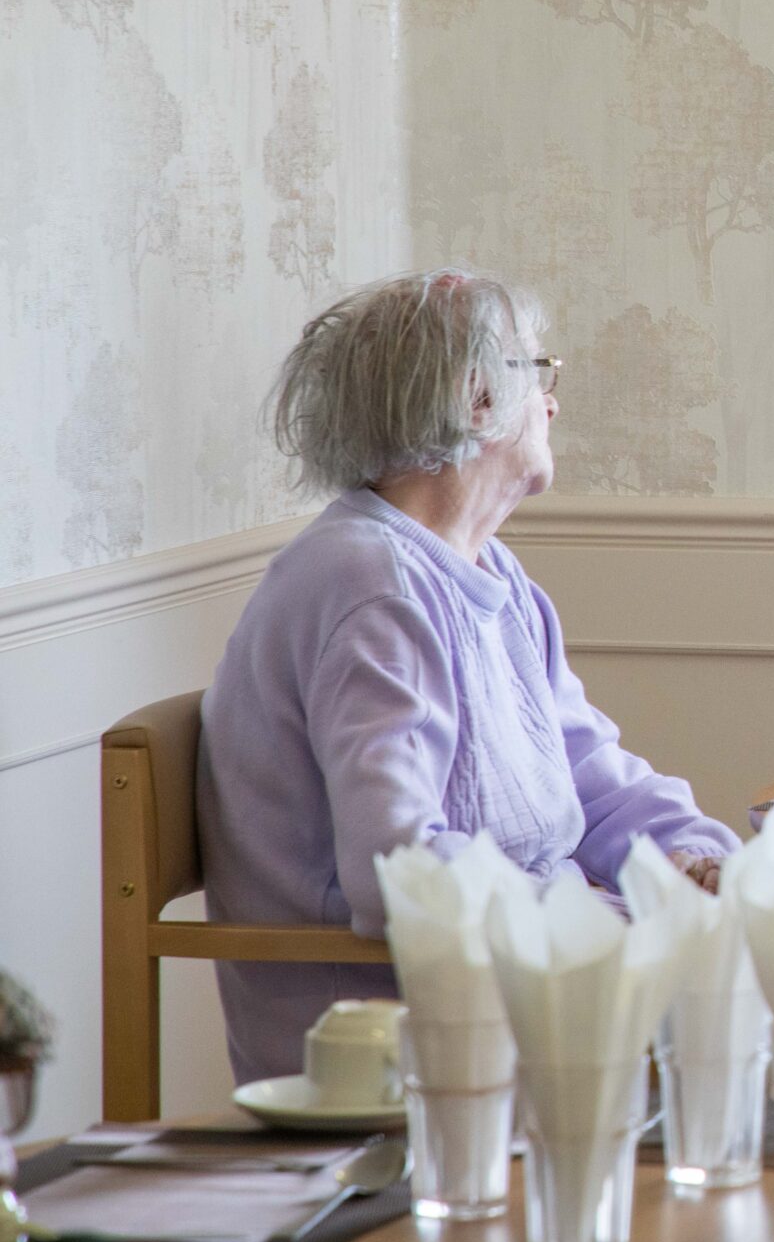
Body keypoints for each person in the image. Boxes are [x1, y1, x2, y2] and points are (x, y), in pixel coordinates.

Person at [198, 270, 738, 1084]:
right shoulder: (369, 586)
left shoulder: (490, 574)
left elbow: (593, 776)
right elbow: (398, 869)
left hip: (525, 998)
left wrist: (693, 854)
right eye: (539, 370)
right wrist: (601, 919)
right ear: (475, 398)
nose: (552, 404)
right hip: (396, 1052)